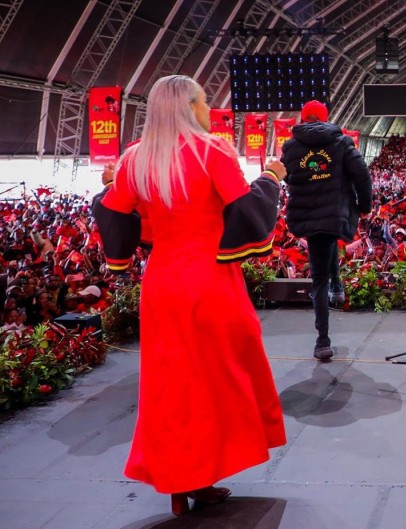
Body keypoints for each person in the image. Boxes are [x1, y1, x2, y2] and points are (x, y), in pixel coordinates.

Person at [91, 75, 287, 515]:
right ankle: (204, 470)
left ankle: (182, 482)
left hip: (162, 284)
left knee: (171, 386)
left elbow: (112, 211)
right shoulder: (214, 151)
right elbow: (245, 209)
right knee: (221, 379)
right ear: (189, 107)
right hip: (211, 282)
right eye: (202, 102)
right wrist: (273, 177)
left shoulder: (135, 159)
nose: (205, 109)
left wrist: (113, 185)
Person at [281, 99, 372, 360]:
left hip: (309, 218)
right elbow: (361, 174)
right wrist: (363, 205)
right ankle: (323, 340)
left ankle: (336, 286)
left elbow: (287, 177)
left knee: (322, 257)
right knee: (323, 266)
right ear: (325, 117)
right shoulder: (342, 143)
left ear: (303, 119)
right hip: (335, 214)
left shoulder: (291, 148)